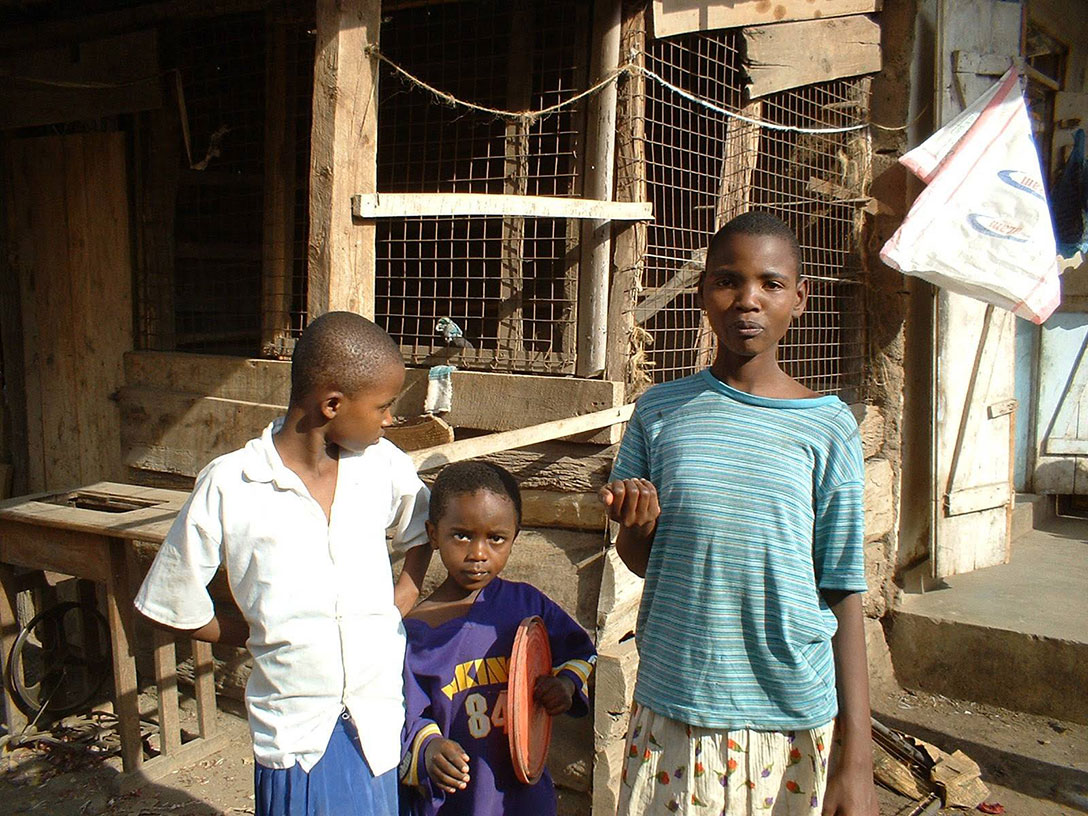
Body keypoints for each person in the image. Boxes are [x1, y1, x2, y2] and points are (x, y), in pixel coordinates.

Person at [600, 212, 878, 816]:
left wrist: (858, 759)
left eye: (770, 283)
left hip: (788, 713)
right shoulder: (660, 411)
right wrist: (637, 527)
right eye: (728, 280)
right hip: (677, 704)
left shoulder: (828, 426)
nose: (747, 299)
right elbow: (644, 560)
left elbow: (842, 585)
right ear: (703, 292)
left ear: (799, 298)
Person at [135, 311, 433, 816]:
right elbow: (170, 601)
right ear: (332, 404)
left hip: (378, 724)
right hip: (297, 737)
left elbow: (422, 528)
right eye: (383, 406)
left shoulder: (382, 466)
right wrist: (259, 633)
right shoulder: (233, 484)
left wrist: (404, 594)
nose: (388, 420)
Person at [398, 461, 597, 816]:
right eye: (461, 535)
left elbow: (582, 653)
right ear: (433, 534)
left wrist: (565, 685)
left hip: (526, 799)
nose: (478, 553)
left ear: (514, 537)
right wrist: (429, 749)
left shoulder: (527, 605)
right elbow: (405, 718)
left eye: (496, 539)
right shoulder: (414, 633)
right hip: (457, 802)